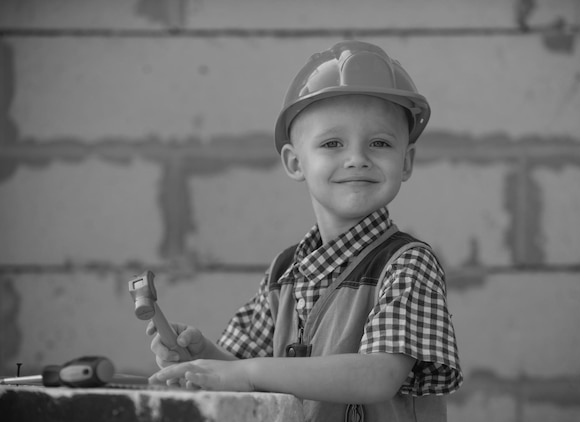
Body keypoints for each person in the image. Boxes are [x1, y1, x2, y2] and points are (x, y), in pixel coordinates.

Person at [147, 40, 463, 422]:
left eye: (379, 143)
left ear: (406, 161)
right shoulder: (284, 273)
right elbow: (251, 371)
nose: (357, 158)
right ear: (295, 163)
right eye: (332, 143)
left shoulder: (408, 264)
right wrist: (203, 359)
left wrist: (244, 373)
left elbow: (378, 375)